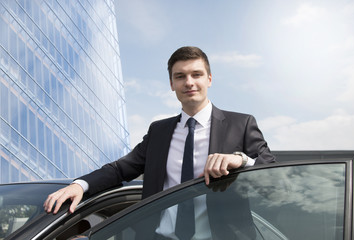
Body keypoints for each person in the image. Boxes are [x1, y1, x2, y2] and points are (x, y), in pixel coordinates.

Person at [44, 46, 275, 230]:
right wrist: (80, 185)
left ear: (209, 79)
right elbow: (120, 169)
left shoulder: (241, 124)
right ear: (172, 84)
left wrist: (241, 160)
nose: (189, 82)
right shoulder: (158, 132)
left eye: (197, 74)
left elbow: (273, 178)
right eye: (180, 76)